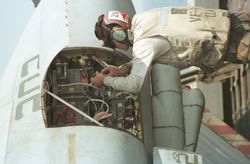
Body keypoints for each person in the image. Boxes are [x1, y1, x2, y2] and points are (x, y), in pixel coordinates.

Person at [91, 7, 250, 93]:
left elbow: (134, 85)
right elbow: (155, 48)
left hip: (232, 43)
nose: (116, 46)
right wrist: (122, 69)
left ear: (117, 34)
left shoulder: (143, 43)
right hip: (228, 21)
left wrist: (104, 81)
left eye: (113, 41)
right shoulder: (144, 18)